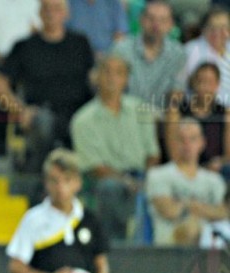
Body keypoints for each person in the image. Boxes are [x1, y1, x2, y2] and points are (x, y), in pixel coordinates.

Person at [0, 0, 93, 175]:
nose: (51, 13)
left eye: (57, 8)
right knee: (43, 123)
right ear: (39, 13)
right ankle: (40, 181)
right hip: (41, 115)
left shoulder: (81, 44)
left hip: (80, 115)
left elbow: (95, 78)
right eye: (46, 8)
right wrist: (20, 110)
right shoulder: (25, 46)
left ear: (67, 14)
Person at [70, 55, 160, 242]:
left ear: (126, 79)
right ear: (96, 77)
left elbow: (153, 154)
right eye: (106, 72)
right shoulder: (82, 120)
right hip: (105, 181)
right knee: (111, 189)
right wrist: (127, 181)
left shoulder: (140, 109)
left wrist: (147, 178)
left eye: (119, 73)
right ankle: (115, 247)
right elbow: (95, 167)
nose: (112, 78)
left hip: (142, 175)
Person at [7, 148, 109, 273]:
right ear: (46, 183)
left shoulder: (90, 219)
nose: (61, 187)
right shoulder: (33, 219)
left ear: (78, 182)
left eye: (67, 180)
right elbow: (15, 267)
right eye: (54, 180)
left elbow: (101, 263)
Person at [147, 118, 227, 246]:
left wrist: (187, 205)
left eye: (192, 139)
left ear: (202, 143)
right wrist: (205, 210)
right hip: (171, 243)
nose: (187, 144)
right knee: (192, 228)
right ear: (174, 142)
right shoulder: (158, 175)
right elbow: (170, 211)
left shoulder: (214, 180)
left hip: (210, 241)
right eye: (182, 139)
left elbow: (224, 212)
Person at [112, 0, 186, 112]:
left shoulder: (178, 54)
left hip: (160, 117)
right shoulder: (122, 50)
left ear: (171, 25)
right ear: (141, 20)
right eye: (151, 18)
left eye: (162, 20)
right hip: (124, 114)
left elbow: (177, 91)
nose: (156, 25)